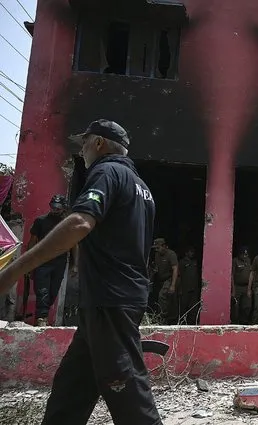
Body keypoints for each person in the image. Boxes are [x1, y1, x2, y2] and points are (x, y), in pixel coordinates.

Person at [0, 119, 162, 424]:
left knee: (129, 396)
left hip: (109, 301)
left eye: (84, 143)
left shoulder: (105, 171)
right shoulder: (141, 187)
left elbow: (79, 223)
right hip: (111, 299)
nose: (82, 150)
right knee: (71, 391)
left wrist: (12, 272)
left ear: (99, 143)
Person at [27, 194, 76, 326]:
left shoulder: (68, 223)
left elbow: (74, 245)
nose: (55, 210)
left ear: (64, 208)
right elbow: (32, 242)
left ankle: (43, 315)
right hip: (42, 262)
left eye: (58, 208)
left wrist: (75, 264)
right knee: (42, 292)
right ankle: (41, 318)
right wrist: (28, 262)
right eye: (53, 207)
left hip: (60, 263)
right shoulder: (40, 221)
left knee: (53, 292)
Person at [153, 238, 179, 324]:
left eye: (158, 248)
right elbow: (157, 267)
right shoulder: (157, 255)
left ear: (164, 246)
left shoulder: (171, 254)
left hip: (170, 278)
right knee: (161, 298)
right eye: (155, 248)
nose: (156, 250)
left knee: (162, 296)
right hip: (160, 279)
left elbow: (175, 269)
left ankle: (162, 317)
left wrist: (173, 285)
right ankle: (164, 317)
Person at [178, 247, 200, 324]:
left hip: (194, 289)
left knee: (193, 307)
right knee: (183, 307)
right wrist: (180, 288)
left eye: (193, 252)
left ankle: (192, 323)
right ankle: (182, 322)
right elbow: (179, 276)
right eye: (190, 252)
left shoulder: (195, 262)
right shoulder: (182, 262)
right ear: (186, 253)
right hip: (184, 288)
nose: (192, 253)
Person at [232, 246, 252, 324]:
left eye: (246, 254)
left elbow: (251, 274)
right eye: (243, 254)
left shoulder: (249, 261)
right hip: (237, 286)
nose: (245, 256)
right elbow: (232, 275)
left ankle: (244, 322)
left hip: (246, 286)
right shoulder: (235, 261)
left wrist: (249, 288)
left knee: (247, 306)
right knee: (236, 306)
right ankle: (235, 322)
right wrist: (233, 290)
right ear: (239, 254)